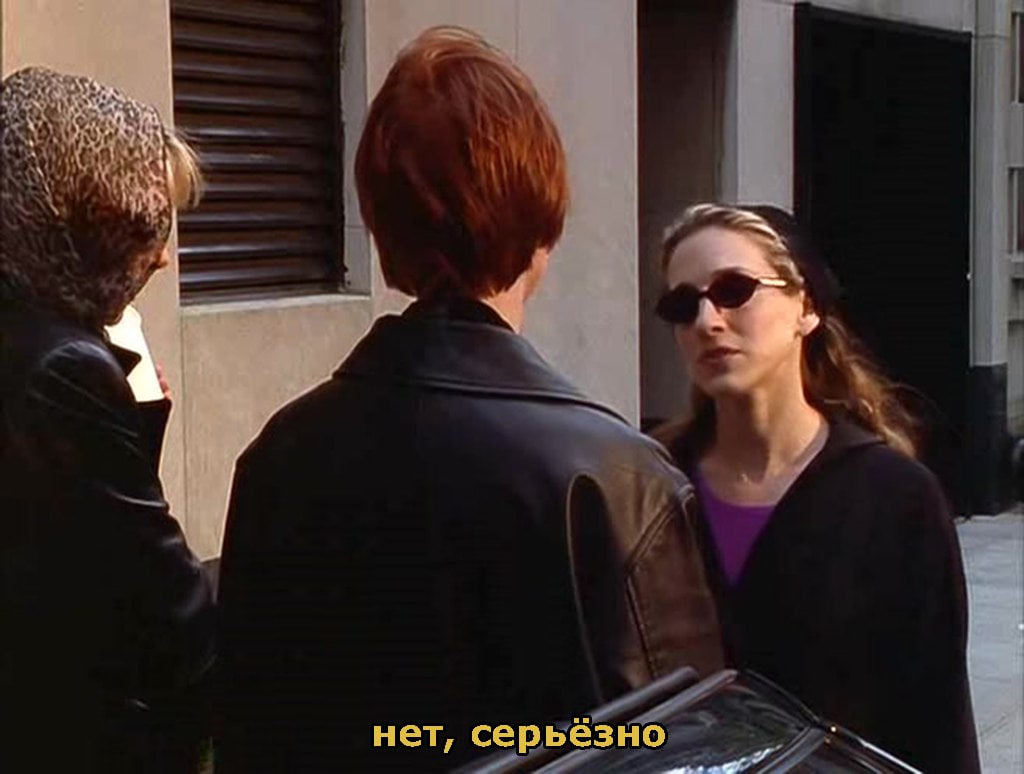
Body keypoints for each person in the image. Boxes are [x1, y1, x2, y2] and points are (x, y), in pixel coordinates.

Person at [217, 26, 722, 772]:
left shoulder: (279, 455)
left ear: (381, 226)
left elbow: (252, 728)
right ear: (541, 222)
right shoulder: (620, 478)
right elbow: (684, 750)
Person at [652, 203, 980, 773]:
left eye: (734, 291)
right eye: (683, 305)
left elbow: (937, 717)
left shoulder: (895, 497)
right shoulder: (650, 483)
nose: (706, 321)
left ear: (806, 308)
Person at [0, 67, 216, 772]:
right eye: (143, 223)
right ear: (76, 221)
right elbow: (164, 620)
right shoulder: (65, 369)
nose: (163, 255)